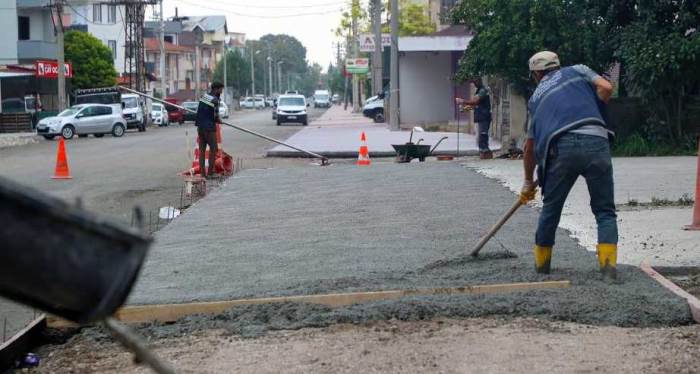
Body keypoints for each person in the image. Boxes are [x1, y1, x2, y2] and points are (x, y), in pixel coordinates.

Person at [519, 51, 618, 279]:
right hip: (597, 141)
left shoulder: (535, 100)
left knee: (551, 210)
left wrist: (527, 182)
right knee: (604, 210)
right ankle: (608, 270)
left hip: (561, 148)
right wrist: (594, 107)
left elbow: (530, 148)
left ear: (536, 74)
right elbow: (606, 88)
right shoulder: (578, 70)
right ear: (557, 65)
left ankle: (542, 269)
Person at [455, 78, 492, 159]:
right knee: (479, 138)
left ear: (479, 81)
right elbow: (475, 105)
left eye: (475, 82)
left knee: (483, 136)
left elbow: (475, 102)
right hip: (480, 117)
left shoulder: (483, 90)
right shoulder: (478, 90)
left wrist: (462, 101)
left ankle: (486, 155)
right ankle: (483, 154)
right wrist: (465, 109)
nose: (474, 84)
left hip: (484, 117)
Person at [195, 82, 223, 179]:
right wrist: (219, 120)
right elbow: (215, 116)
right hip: (209, 128)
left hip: (200, 127)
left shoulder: (204, 97)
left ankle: (203, 174)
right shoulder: (215, 100)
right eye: (221, 89)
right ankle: (210, 173)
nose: (221, 92)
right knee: (214, 148)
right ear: (216, 89)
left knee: (202, 151)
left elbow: (199, 112)